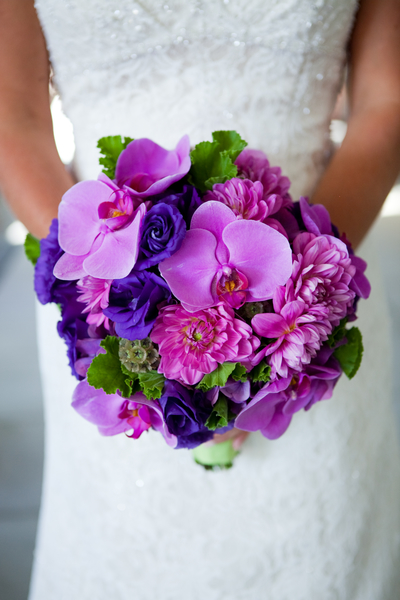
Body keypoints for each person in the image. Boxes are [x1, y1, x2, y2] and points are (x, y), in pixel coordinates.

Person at [1, 0, 400, 598]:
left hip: (304, 329)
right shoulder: (112, 317)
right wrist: (110, 302)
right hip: (110, 311)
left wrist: (302, 283)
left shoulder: (303, 307)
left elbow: (385, 105)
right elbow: (15, 116)